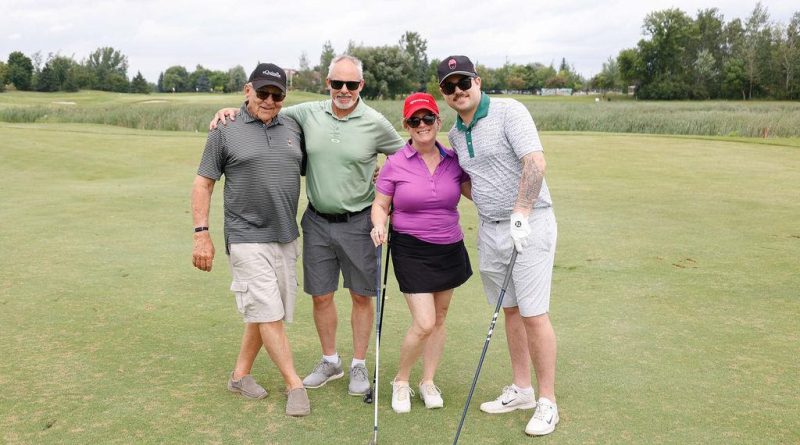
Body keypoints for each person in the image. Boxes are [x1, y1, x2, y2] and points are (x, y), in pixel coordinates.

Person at [210, 55, 404, 397]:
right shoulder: (305, 113)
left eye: (352, 84)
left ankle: (358, 364)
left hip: (359, 221)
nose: (344, 91)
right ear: (327, 83)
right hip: (315, 221)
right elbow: (262, 110)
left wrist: (384, 174)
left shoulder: (375, 122)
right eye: (337, 83)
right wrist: (228, 110)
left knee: (361, 296)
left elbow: (406, 157)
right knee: (321, 296)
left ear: (362, 86)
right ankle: (331, 361)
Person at [437, 55, 560, 436]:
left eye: (463, 82)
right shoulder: (456, 133)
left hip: (530, 223)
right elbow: (474, 183)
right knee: (509, 311)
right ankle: (522, 389)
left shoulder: (509, 111)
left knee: (533, 313)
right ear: (443, 93)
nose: (458, 91)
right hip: (490, 231)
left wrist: (521, 211)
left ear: (477, 80)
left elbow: (535, 162)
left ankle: (547, 401)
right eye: (449, 86)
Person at [191, 62, 310, 417]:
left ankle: (240, 375)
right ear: (247, 91)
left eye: (277, 95)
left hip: (286, 234)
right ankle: (295, 384)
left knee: (265, 309)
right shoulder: (224, 129)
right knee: (268, 310)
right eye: (262, 93)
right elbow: (203, 183)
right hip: (246, 235)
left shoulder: (293, 126)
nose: (269, 100)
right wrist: (201, 235)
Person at [369, 93, 473, 414]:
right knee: (425, 321)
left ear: (438, 121)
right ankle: (401, 381)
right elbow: (380, 204)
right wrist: (378, 225)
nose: (423, 125)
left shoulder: (454, 160)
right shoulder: (396, 163)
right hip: (411, 248)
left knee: (440, 319)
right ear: (407, 125)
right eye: (415, 120)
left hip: (449, 246)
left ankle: (427, 381)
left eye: (428, 118)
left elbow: (476, 193)